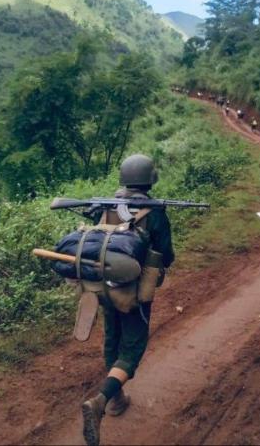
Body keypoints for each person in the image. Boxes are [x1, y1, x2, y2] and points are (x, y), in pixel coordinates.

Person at [81, 154, 175, 446]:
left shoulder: (106, 205)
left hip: (103, 288)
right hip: (133, 292)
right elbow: (167, 255)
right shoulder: (154, 212)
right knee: (133, 346)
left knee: (113, 336)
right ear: (149, 180)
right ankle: (102, 399)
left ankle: (117, 399)